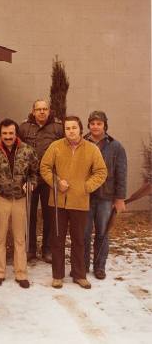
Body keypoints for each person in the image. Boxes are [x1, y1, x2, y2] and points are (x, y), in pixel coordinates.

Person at [40, 115, 107, 289]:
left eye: (74, 128)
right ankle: (57, 275)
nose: (71, 131)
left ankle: (79, 274)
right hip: (58, 202)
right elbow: (44, 167)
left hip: (80, 201)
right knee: (57, 239)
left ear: (80, 129)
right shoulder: (55, 147)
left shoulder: (91, 149)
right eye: (67, 128)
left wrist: (86, 187)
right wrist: (56, 182)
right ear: (64, 130)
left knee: (79, 239)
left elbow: (101, 172)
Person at [0, 119, 38, 289]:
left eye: (11, 133)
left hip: (20, 198)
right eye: (5, 133)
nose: (8, 137)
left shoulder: (27, 151)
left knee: (19, 237)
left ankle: (21, 273)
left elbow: (34, 173)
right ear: (0, 134)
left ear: (16, 134)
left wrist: (31, 182)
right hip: (0, 197)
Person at [83, 111, 127, 280]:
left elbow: (121, 173)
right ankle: (83, 265)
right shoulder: (81, 143)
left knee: (102, 232)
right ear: (88, 125)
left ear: (105, 126)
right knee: (84, 233)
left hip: (106, 197)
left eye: (99, 123)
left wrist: (119, 198)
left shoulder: (116, 146)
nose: (95, 126)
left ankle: (99, 267)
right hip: (85, 196)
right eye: (92, 123)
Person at [19, 99, 64, 263]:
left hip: (49, 178)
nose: (42, 112)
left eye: (45, 109)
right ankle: (30, 249)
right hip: (29, 178)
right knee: (29, 214)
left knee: (49, 215)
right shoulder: (24, 128)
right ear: (33, 111)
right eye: (39, 109)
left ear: (49, 110)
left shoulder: (58, 128)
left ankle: (47, 249)